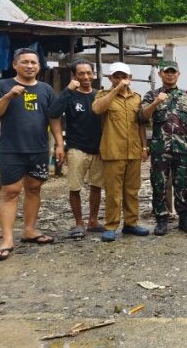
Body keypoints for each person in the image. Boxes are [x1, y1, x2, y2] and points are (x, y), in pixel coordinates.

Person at [0, 48, 64, 261]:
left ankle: (29, 230)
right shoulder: (2, 86)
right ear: (15, 65)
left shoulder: (45, 89)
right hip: (12, 148)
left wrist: (60, 144)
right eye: (24, 62)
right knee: (10, 191)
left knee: (34, 189)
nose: (29, 66)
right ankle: (7, 238)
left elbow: (54, 118)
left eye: (33, 62)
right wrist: (8, 96)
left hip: (38, 149)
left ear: (39, 66)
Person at [139, 60, 187, 236]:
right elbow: (142, 117)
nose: (170, 75)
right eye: (166, 72)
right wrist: (155, 103)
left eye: (173, 72)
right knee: (159, 184)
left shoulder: (186, 95)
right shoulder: (152, 95)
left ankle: (184, 219)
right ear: (160, 74)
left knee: (182, 184)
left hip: (182, 148)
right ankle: (161, 220)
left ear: (178, 74)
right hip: (160, 149)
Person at [92, 62, 150, 242]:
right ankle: (111, 226)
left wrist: (144, 147)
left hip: (133, 151)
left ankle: (131, 224)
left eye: (123, 76)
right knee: (113, 191)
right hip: (113, 151)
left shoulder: (137, 98)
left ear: (130, 78)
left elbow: (140, 124)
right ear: (110, 78)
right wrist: (115, 90)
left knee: (132, 190)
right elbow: (97, 110)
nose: (120, 80)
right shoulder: (103, 95)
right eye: (116, 76)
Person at [49, 59, 104, 239]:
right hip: (76, 148)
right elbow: (53, 112)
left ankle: (93, 221)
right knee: (75, 187)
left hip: (98, 148)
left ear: (94, 74)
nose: (86, 77)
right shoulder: (70, 96)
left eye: (89, 73)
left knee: (96, 186)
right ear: (74, 76)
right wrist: (68, 90)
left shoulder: (99, 95)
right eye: (81, 74)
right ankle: (79, 223)